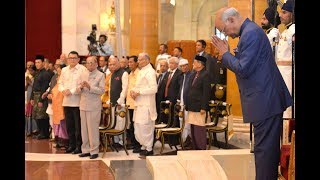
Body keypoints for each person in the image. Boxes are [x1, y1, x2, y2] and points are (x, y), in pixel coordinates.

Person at [211, 7, 292, 180]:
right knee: (264, 154)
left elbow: (243, 68)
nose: (226, 34)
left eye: (224, 30)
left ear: (231, 20)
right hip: (264, 101)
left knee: (265, 155)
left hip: (265, 102)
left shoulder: (251, 34)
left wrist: (225, 54)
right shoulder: (248, 32)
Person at [58, 51, 87, 154]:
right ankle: (71, 145)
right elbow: (60, 82)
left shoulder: (82, 69)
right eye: (70, 58)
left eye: (74, 58)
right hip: (66, 101)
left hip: (77, 102)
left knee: (78, 126)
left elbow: (83, 84)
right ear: (67, 59)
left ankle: (79, 146)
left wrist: (72, 91)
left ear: (78, 59)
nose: (72, 60)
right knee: (69, 125)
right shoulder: (64, 70)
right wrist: (63, 90)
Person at [78, 56, 105, 159]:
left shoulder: (100, 75)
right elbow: (77, 89)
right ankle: (85, 149)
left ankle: (94, 151)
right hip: (83, 105)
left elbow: (102, 90)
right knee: (84, 129)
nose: (89, 65)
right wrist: (80, 87)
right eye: (87, 63)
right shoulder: (82, 74)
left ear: (96, 64)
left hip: (94, 106)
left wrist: (89, 87)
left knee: (92, 129)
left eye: (91, 63)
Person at [130, 52, 157, 156]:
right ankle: (143, 146)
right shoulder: (141, 71)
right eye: (139, 60)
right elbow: (138, 86)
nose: (139, 62)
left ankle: (149, 148)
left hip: (146, 105)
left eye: (141, 60)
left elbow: (154, 88)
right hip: (138, 104)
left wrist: (139, 92)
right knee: (138, 127)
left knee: (145, 127)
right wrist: (133, 91)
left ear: (147, 60)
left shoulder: (150, 72)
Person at [185, 55, 211, 150]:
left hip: (199, 108)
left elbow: (206, 93)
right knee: (193, 129)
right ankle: (195, 147)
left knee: (199, 130)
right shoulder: (193, 74)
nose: (193, 64)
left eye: (194, 62)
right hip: (192, 107)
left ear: (200, 64)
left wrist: (203, 107)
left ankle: (201, 149)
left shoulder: (206, 75)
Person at [276, 0, 295, 119]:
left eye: (284, 12)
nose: (280, 15)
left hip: (289, 74)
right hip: (282, 73)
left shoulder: (293, 30)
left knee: (289, 108)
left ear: (292, 14)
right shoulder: (287, 30)